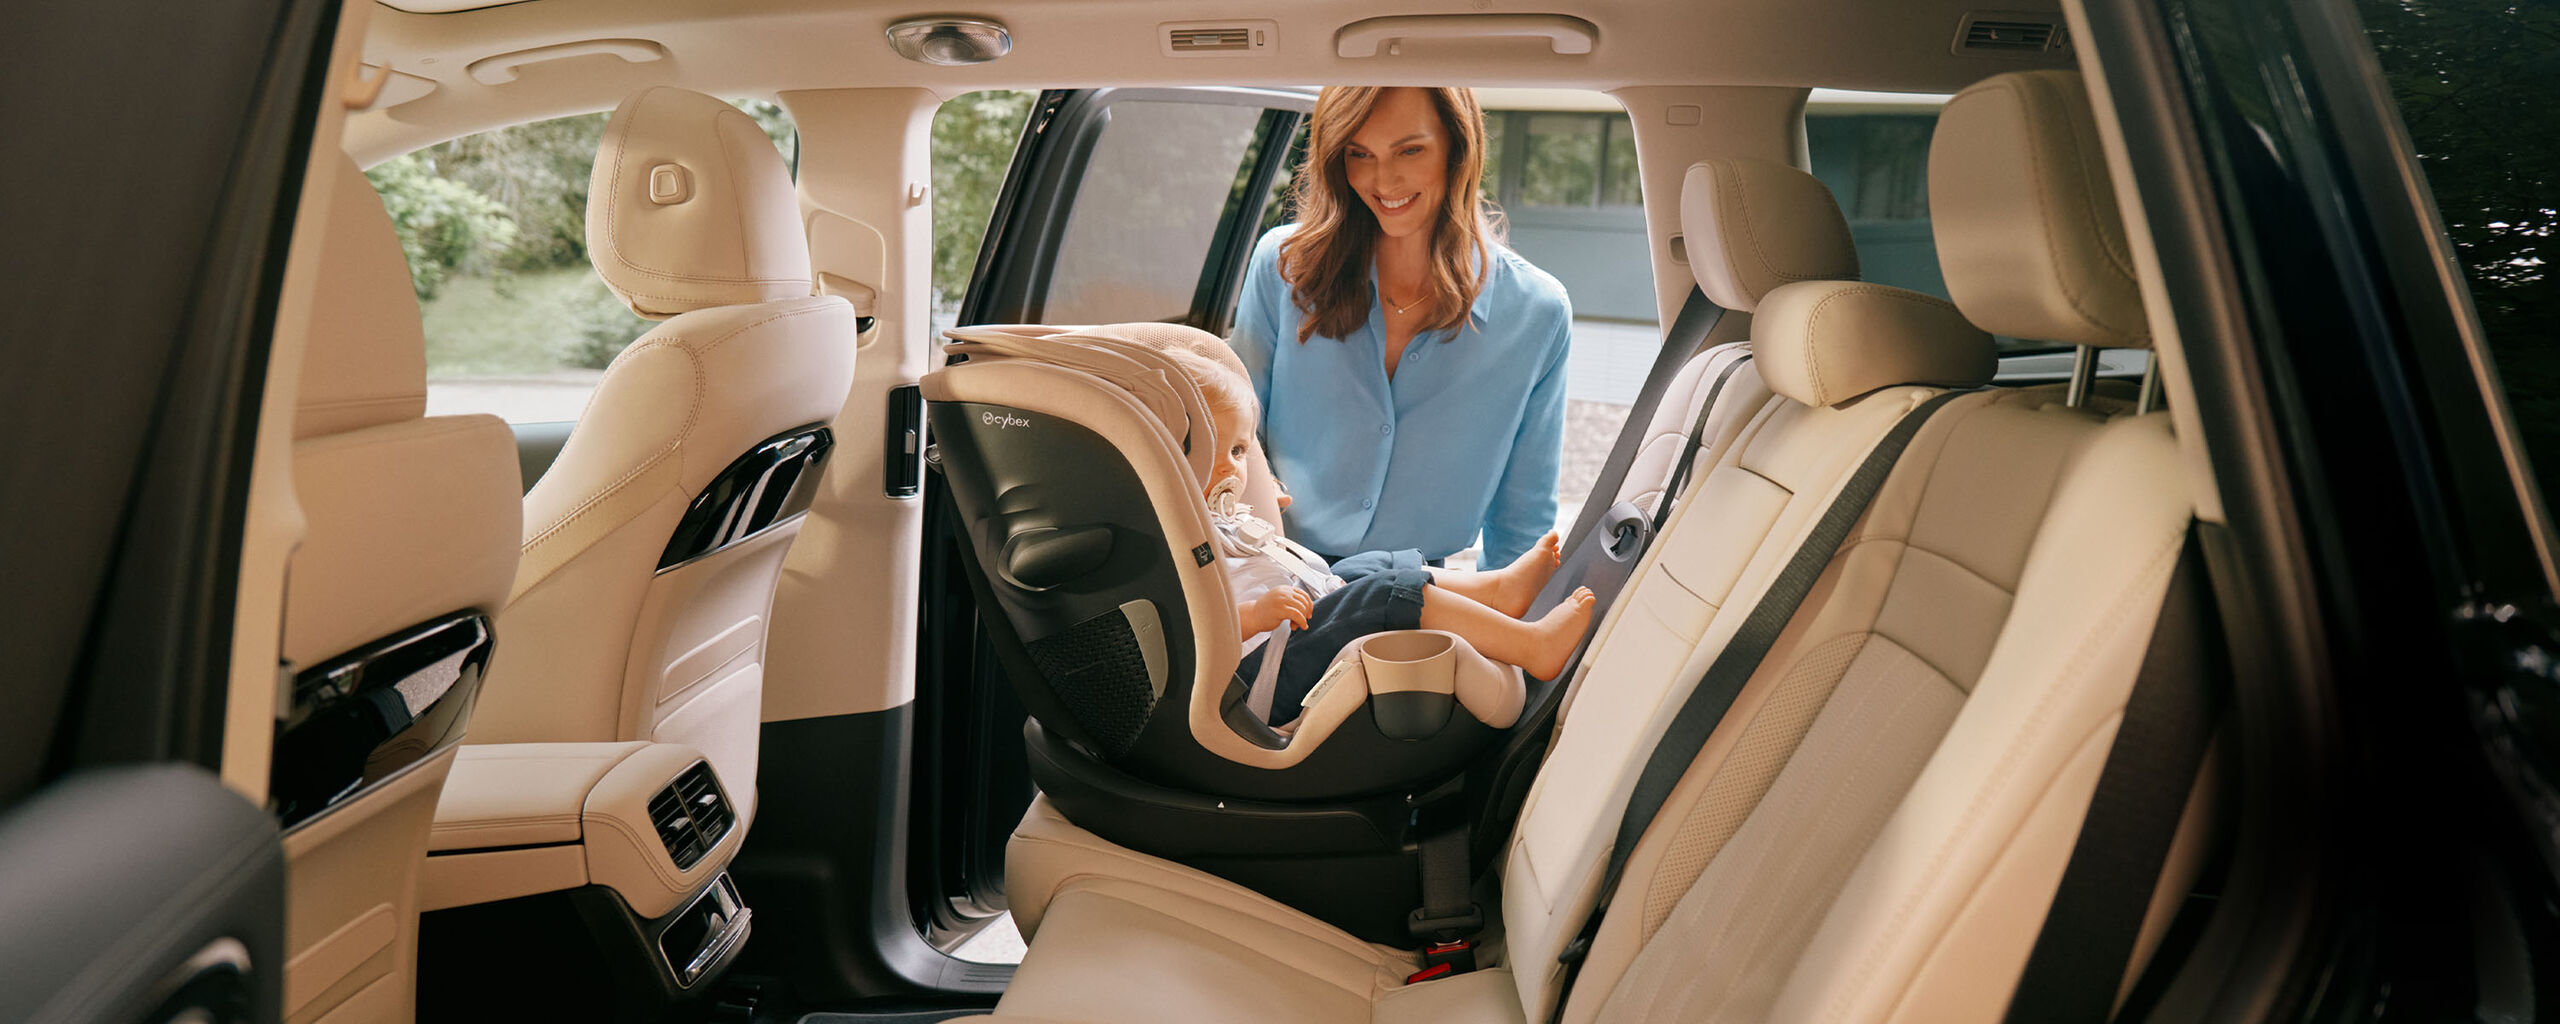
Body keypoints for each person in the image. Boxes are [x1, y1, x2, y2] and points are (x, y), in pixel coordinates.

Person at [1230, 86, 1573, 571]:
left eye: (1409, 150)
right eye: (1359, 154)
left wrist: (1502, 631)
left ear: (1458, 148)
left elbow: (1521, 522)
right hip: (1278, 568)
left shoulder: (1537, 313)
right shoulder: (1283, 266)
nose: (1383, 180)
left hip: (1427, 597)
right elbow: (1233, 438)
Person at [1162, 348, 1596, 723]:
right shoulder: (1168, 538)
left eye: (1238, 452)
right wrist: (1255, 615)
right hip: (1261, 676)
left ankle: (1497, 590)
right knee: (1383, 593)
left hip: (1289, 628)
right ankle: (1533, 647)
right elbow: (1189, 628)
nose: (1229, 469)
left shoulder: (1218, 519)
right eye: (1203, 450)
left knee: (1366, 567)